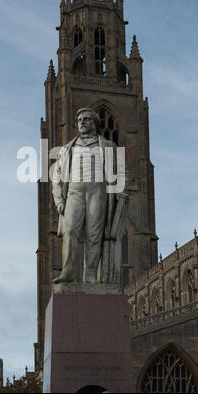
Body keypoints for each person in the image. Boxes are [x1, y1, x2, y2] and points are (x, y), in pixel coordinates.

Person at [52, 107, 128, 284]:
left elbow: (122, 171)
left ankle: (90, 274)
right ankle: (68, 272)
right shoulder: (66, 149)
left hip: (98, 193)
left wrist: (121, 192)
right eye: (79, 120)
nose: (82, 122)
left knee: (94, 235)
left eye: (86, 119)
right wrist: (59, 201)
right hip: (74, 193)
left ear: (95, 123)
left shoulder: (108, 146)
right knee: (70, 231)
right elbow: (56, 177)